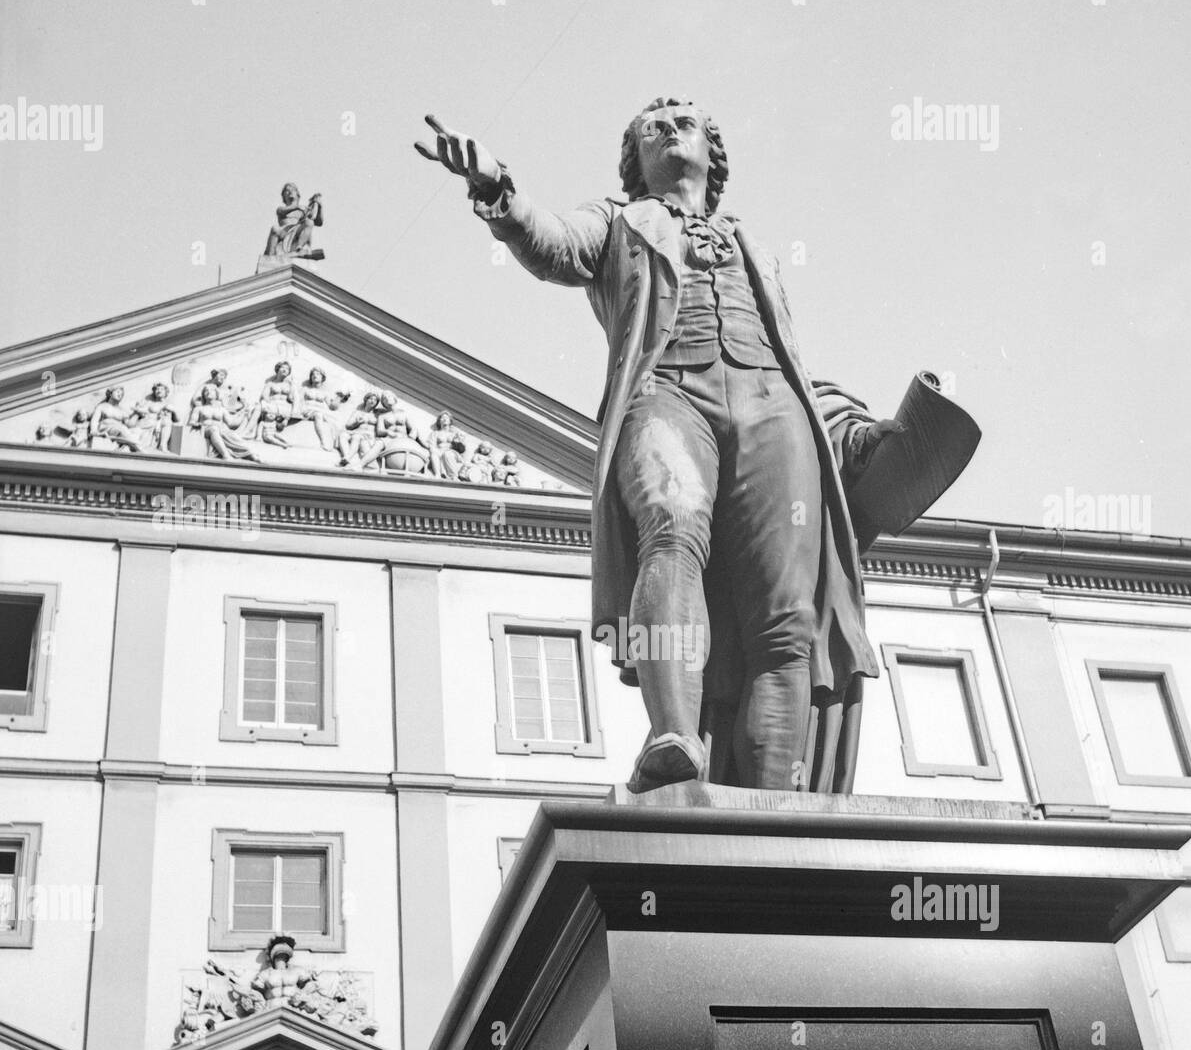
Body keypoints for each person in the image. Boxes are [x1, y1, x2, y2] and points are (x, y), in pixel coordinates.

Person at [415, 98, 905, 794]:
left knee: (787, 617)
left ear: (712, 149)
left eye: (686, 119)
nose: (670, 126)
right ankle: (674, 733)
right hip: (668, 391)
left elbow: (788, 354)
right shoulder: (617, 221)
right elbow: (551, 243)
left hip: (772, 406)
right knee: (670, 523)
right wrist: (494, 187)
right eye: (653, 125)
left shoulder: (753, 246)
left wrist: (849, 428)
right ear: (635, 160)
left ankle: (770, 806)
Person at [264, 182, 324, 261]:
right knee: (274, 228)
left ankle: (298, 248)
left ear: (297, 194)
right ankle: (270, 257)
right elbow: (282, 211)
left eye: (292, 190)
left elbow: (318, 222)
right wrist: (297, 207)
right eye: (287, 191)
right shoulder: (281, 208)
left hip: (297, 231)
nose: (290, 192)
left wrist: (319, 206)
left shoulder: (303, 210)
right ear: (284, 197)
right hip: (284, 231)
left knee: (309, 222)